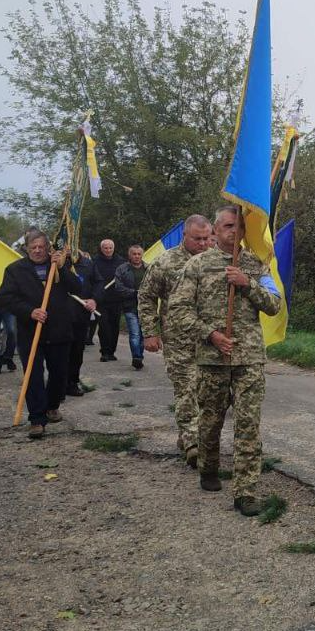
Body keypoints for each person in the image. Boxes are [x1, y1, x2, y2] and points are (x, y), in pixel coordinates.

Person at [171, 206, 281, 516]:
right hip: (212, 358)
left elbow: (274, 305)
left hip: (249, 358)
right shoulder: (197, 266)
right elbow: (178, 311)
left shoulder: (256, 265)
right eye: (229, 226)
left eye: (240, 227)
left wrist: (248, 284)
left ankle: (245, 491)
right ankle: (208, 466)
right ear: (216, 231)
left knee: (248, 425)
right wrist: (211, 335)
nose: (235, 232)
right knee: (211, 420)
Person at [138, 215, 215, 466]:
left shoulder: (217, 260)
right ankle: (193, 443)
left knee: (208, 392)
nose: (203, 243)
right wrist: (150, 332)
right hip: (178, 339)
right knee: (187, 389)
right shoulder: (166, 262)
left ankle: (189, 435)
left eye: (207, 238)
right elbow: (147, 296)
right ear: (185, 236)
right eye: (197, 239)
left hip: (211, 339)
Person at [0, 230, 79, 439]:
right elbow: (6, 298)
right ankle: (36, 419)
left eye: (41, 247)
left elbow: (79, 287)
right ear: (26, 248)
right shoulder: (15, 270)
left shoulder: (59, 266)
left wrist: (63, 268)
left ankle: (52, 406)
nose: (37, 251)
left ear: (48, 247)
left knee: (59, 374)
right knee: (33, 375)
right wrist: (29, 311)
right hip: (30, 331)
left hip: (59, 329)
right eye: (33, 247)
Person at [65, 250, 98, 396]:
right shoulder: (53, 264)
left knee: (77, 351)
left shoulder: (88, 264)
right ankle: (58, 383)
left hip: (80, 315)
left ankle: (72, 382)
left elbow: (99, 283)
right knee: (60, 353)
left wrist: (94, 299)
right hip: (59, 317)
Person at [111, 244, 148, 370]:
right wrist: (134, 292)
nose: (137, 256)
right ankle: (136, 357)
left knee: (143, 334)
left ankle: (140, 356)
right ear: (129, 255)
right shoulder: (122, 269)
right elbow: (118, 287)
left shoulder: (148, 268)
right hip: (129, 306)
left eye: (139, 254)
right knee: (135, 334)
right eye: (134, 254)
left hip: (146, 307)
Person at [91, 238, 126, 361]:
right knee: (104, 325)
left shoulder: (121, 261)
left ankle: (111, 351)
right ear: (101, 249)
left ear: (113, 248)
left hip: (116, 299)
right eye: (105, 248)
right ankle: (104, 351)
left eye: (110, 248)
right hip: (101, 299)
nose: (108, 250)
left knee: (114, 326)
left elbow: (125, 277)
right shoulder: (94, 261)